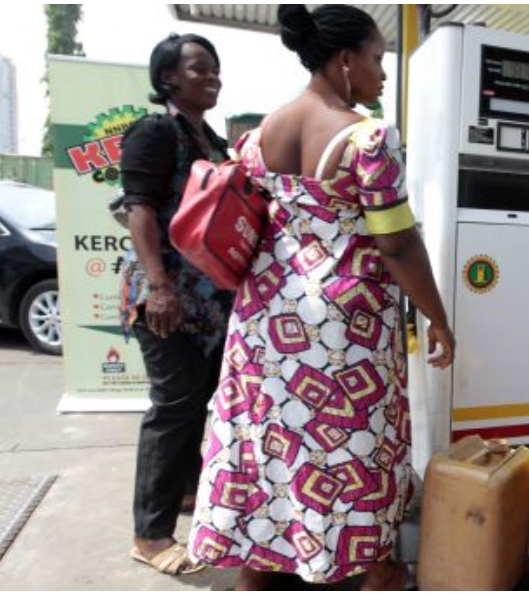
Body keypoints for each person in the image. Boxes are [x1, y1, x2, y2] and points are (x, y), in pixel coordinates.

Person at [187, 5, 455, 590]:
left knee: (269, 446)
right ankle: (376, 568)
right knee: (352, 451)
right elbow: (398, 242)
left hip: (264, 327)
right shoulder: (367, 138)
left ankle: (257, 573)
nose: (382, 73)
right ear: (345, 60)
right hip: (342, 335)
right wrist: (437, 317)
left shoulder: (259, 135)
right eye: (377, 59)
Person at [119, 33, 234, 576]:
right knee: (173, 408)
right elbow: (139, 209)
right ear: (168, 78)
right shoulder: (155, 132)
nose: (211, 77)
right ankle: (149, 535)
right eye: (198, 68)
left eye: (214, 68)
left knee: (196, 402)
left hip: (209, 302)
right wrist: (160, 285)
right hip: (164, 295)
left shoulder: (211, 140)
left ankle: (188, 492)